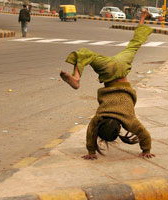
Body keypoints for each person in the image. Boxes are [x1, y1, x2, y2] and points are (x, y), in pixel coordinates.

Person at [60, 9, 155, 160]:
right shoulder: (99, 117)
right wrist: (91, 151)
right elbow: (91, 132)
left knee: (135, 43)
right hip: (108, 70)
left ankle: (143, 15)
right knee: (85, 53)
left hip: (121, 66)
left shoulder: (129, 121)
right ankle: (76, 78)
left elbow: (145, 135)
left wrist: (146, 150)